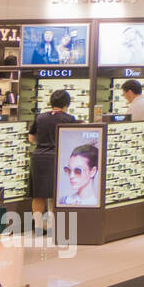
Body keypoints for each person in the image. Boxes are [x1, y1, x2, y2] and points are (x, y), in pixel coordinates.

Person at [28, 89, 75, 235]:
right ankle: (53, 227)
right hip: (57, 158)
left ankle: (37, 226)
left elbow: (32, 138)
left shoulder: (40, 117)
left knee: (39, 194)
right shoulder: (69, 119)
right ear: (67, 104)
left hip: (39, 158)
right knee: (56, 194)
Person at [59, 143, 99, 207]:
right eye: (68, 169)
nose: (71, 176)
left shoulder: (97, 204)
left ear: (92, 172)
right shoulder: (63, 201)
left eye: (77, 170)